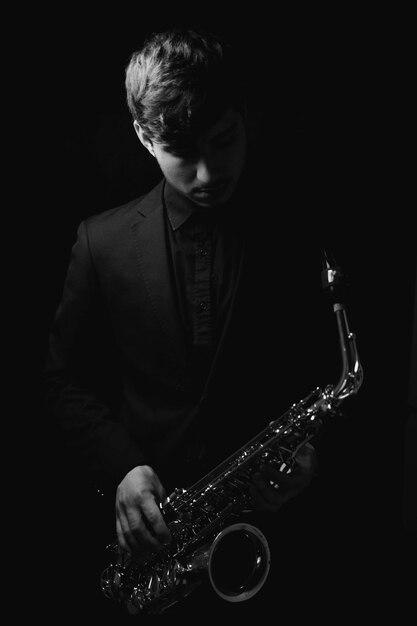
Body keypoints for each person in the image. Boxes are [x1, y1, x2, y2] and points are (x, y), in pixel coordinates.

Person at [44, 27, 332, 618]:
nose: (207, 173)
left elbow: (329, 375)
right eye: (182, 152)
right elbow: (63, 381)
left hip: (280, 547)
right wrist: (123, 467)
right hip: (154, 550)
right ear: (145, 139)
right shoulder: (99, 243)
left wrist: (311, 454)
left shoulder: (299, 234)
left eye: (223, 141)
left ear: (243, 115)